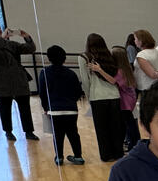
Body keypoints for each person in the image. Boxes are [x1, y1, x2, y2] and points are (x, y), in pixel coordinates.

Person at [0, 21, 39, 141]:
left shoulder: (11, 44)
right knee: (5, 108)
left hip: (19, 80)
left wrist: (27, 38)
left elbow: (30, 49)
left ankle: (29, 131)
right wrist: (2, 39)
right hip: (1, 82)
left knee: (25, 108)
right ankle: (8, 132)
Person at [78, 33, 125, 162]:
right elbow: (115, 79)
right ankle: (118, 153)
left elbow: (85, 81)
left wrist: (88, 97)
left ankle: (106, 155)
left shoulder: (84, 57)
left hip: (97, 96)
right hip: (114, 96)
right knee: (116, 127)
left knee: (101, 129)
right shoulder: (110, 56)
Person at [38, 45, 85, 166]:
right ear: (64, 58)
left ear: (49, 58)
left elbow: (42, 93)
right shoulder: (71, 73)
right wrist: (72, 101)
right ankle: (78, 156)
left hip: (54, 110)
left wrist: (46, 108)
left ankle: (59, 157)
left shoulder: (44, 73)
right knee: (73, 133)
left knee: (57, 134)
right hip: (71, 110)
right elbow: (78, 92)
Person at [109, 45, 141, 151]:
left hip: (125, 103)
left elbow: (113, 81)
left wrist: (100, 70)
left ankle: (133, 145)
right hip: (130, 101)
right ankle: (134, 144)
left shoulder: (119, 72)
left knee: (128, 125)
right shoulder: (127, 70)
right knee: (130, 124)